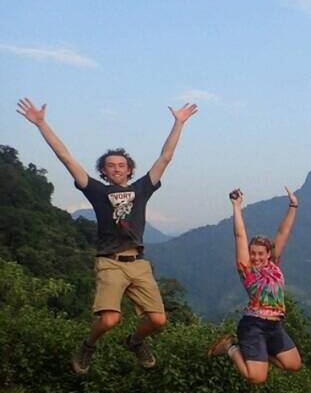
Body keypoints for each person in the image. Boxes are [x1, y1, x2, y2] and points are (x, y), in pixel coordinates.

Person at [16, 97, 198, 374]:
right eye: (111, 165)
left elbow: (166, 157)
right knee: (109, 320)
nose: (116, 168)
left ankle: (135, 342)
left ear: (129, 170)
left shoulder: (142, 189)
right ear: (103, 170)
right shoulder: (97, 192)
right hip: (110, 262)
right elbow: (65, 157)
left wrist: (178, 123)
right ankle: (88, 346)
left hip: (138, 262)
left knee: (159, 320)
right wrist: (42, 124)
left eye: (121, 165)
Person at [207, 188, 302, 383]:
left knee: (293, 364)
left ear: (268, 254)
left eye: (261, 253)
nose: (256, 257)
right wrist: (236, 207)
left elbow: (283, 232)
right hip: (253, 326)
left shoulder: (273, 264)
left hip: (275, 325)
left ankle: (259, 353)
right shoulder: (247, 270)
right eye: (253, 253)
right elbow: (240, 235)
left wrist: (293, 205)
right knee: (256, 377)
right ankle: (231, 348)